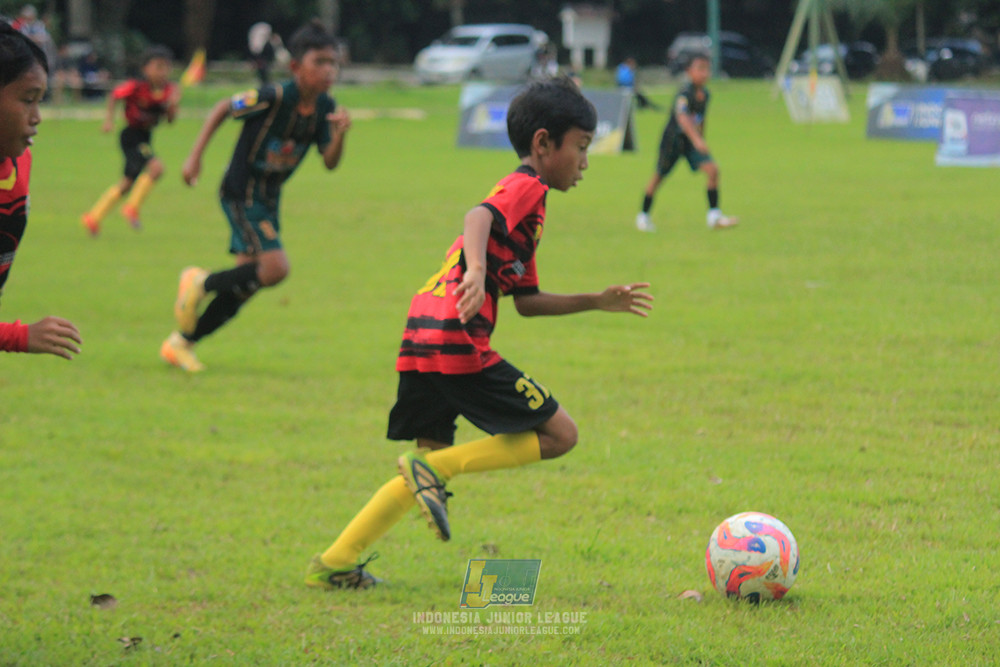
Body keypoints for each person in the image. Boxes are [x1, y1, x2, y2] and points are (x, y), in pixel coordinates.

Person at [304, 77, 653, 590]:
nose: (584, 162)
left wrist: (596, 302)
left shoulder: (530, 213)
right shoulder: (526, 187)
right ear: (542, 144)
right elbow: (478, 216)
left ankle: (335, 560)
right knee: (560, 435)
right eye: (580, 147)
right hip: (455, 333)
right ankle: (435, 474)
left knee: (425, 466)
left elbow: (528, 303)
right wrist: (472, 271)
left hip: (422, 326)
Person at [161, 20, 350, 373]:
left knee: (245, 284)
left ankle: (181, 343)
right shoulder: (274, 95)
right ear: (295, 67)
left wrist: (339, 135)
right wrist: (194, 156)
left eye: (333, 63)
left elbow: (329, 162)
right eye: (320, 62)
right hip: (241, 191)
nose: (329, 71)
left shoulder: (326, 108)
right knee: (275, 268)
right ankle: (199, 281)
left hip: (269, 197)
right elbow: (222, 108)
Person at [0, 23, 82, 359]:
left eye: (40, 101)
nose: (37, 117)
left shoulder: (21, 163)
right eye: (27, 100)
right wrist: (18, 336)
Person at [80, 45, 179, 234]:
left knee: (127, 182)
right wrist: (109, 120)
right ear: (145, 69)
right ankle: (131, 208)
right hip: (131, 136)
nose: (163, 72)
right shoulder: (136, 86)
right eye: (158, 66)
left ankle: (93, 217)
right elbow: (114, 95)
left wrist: (173, 106)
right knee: (157, 169)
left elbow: (170, 120)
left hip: (145, 136)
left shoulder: (168, 90)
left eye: (166, 67)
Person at [635, 53, 737, 233]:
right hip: (673, 141)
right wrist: (697, 140)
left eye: (707, 69)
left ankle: (714, 216)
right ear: (689, 71)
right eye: (700, 69)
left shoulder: (705, 94)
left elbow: (701, 118)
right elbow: (683, 118)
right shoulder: (684, 93)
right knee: (659, 176)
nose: (704, 73)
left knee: (713, 170)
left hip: (692, 143)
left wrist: (701, 138)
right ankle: (643, 216)